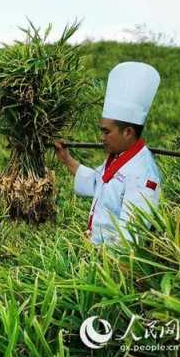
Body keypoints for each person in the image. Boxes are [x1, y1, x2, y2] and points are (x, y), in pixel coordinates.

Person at [54, 62, 162, 245]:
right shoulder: (118, 159)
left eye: (107, 132)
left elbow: (131, 238)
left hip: (113, 265)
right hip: (97, 255)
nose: (102, 138)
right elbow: (98, 182)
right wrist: (67, 159)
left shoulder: (143, 175)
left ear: (128, 132)